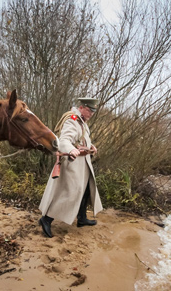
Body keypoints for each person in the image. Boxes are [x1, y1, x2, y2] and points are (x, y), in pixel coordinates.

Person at [38, 98, 103, 238]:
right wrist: (70, 149)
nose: (91, 113)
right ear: (81, 107)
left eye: (93, 111)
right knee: (67, 193)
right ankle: (46, 219)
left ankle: (82, 218)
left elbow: (82, 139)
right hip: (73, 163)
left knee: (85, 191)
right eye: (89, 110)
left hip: (83, 163)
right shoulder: (72, 119)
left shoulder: (82, 122)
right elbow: (64, 140)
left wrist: (91, 147)